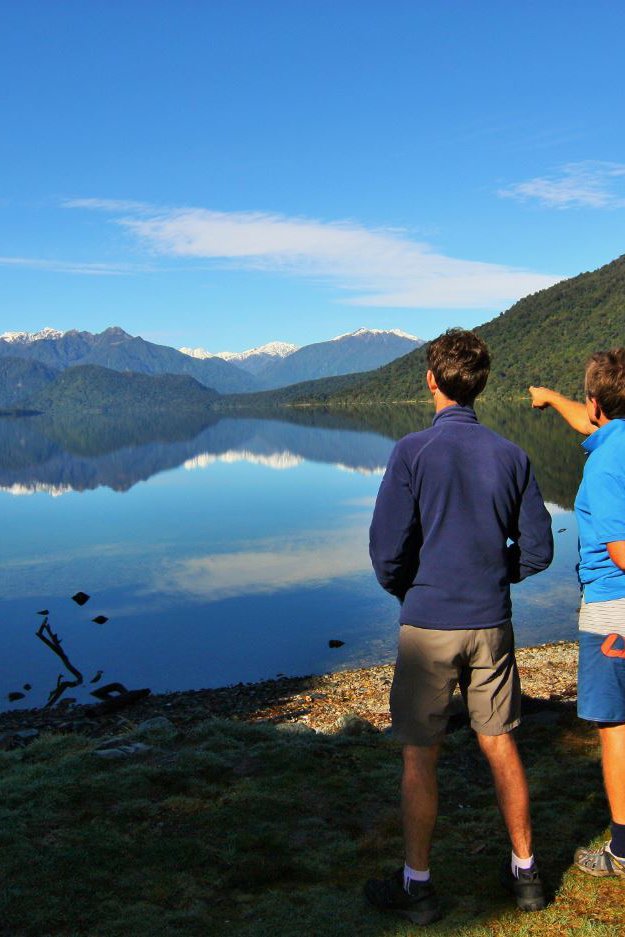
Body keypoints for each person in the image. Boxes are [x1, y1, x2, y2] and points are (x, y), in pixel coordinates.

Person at [366, 329, 554, 925]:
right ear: (482, 383)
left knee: (421, 755)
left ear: (431, 379)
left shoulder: (411, 452)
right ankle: (526, 874)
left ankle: (417, 886)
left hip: (428, 624)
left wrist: (413, 590)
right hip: (490, 621)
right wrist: (493, 578)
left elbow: (385, 552)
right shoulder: (512, 455)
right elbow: (539, 549)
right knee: (500, 742)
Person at [529, 349, 625, 879]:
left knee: (617, 727)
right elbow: (586, 418)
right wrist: (548, 398)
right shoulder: (614, 438)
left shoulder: (609, 462)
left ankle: (622, 852)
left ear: (597, 403)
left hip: (615, 610)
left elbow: (621, 551)